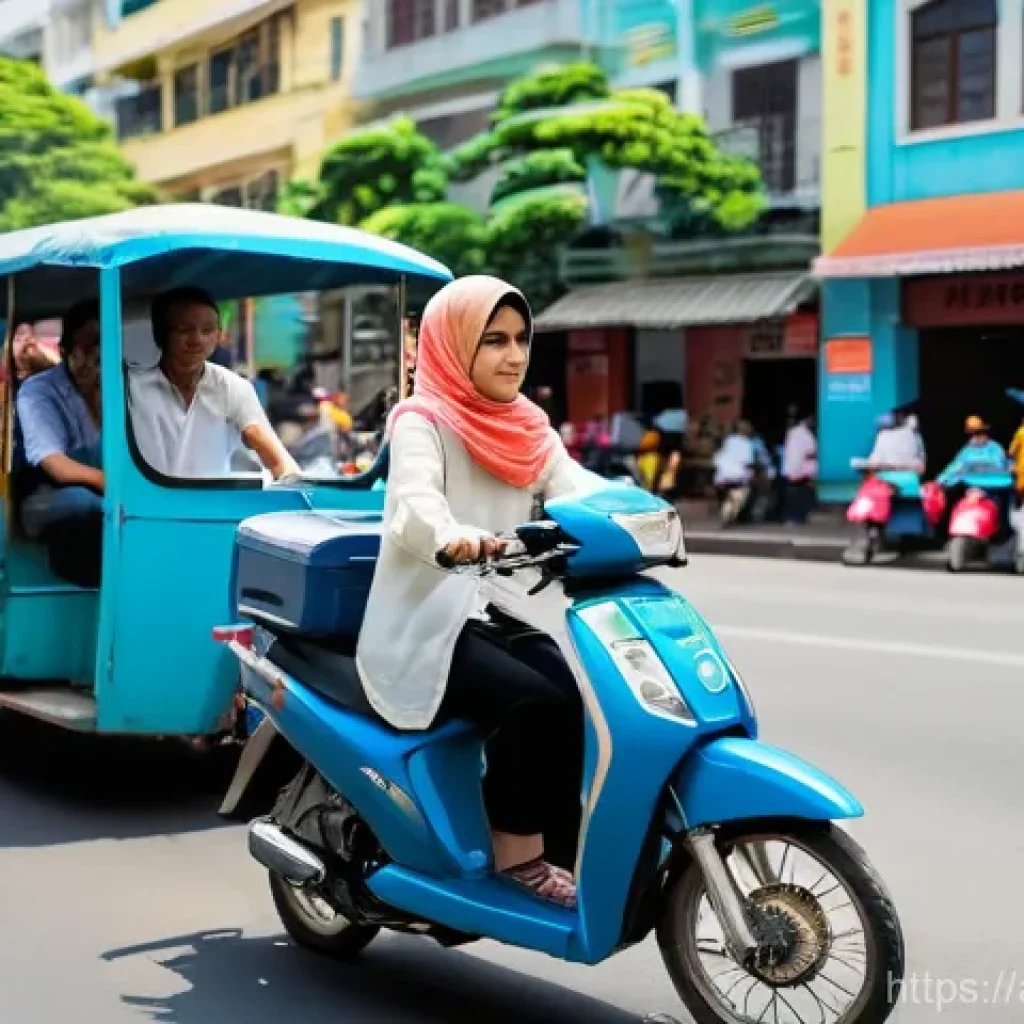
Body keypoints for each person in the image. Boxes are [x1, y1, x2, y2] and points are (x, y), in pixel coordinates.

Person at [356, 275, 597, 909]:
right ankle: (516, 855)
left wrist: (633, 512)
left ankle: (567, 848)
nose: (514, 356)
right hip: (427, 615)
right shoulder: (421, 420)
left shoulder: (526, 424)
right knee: (535, 703)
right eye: (493, 341)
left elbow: (574, 485)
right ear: (455, 346)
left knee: (580, 695)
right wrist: (453, 535)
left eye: (521, 339)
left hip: (492, 607)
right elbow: (412, 504)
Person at [128, 287, 300, 480]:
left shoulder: (233, 388)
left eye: (207, 330)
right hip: (146, 506)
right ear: (160, 334)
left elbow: (277, 460)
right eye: (184, 330)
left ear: (218, 335)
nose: (197, 340)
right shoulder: (132, 388)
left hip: (215, 506)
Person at [15, 301, 104, 587]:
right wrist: (108, 483)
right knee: (86, 504)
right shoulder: (38, 391)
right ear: (66, 350)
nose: (96, 354)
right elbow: (55, 465)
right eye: (88, 345)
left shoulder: (122, 385)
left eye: (104, 344)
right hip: (47, 495)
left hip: (112, 493)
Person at [937, 415, 1010, 487]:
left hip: (993, 486)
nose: (976, 438)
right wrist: (939, 481)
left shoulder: (995, 447)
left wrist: (975, 466)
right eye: (973, 435)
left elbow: (999, 466)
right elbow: (955, 467)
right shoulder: (967, 450)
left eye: (980, 434)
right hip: (972, 487)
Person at [782, 413, 818, 525]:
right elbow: (805, 452)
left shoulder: (799, 433)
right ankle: (793, 517)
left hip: (800, 470)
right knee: (798, 496)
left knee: (800, 495)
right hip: (799, 470)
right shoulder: (800, 434)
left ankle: (796, 517)